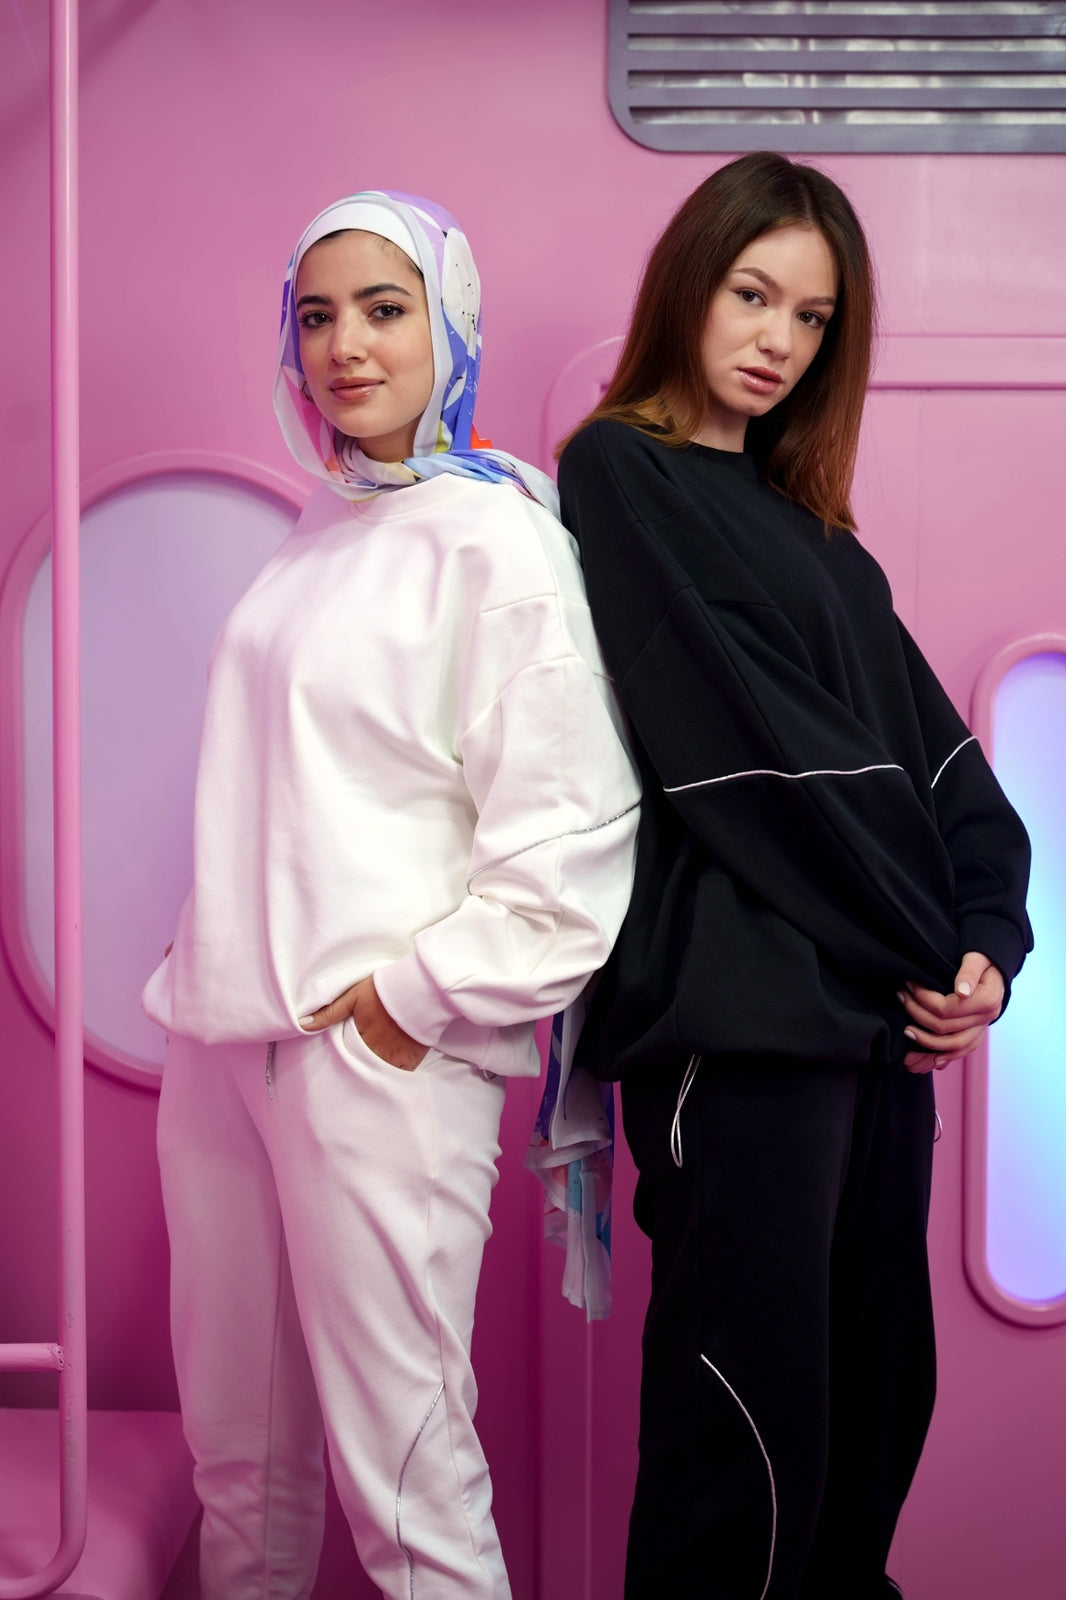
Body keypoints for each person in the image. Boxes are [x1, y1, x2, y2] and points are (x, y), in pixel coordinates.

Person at [143, 190, 640, 1600]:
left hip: (374, 1055)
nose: (344, 346)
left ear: (451, 321)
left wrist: (408, 1000)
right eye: (316, 317)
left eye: (383, 308)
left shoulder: (497, 539)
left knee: (410, 1490)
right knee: (239, 1472)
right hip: (223, 1039)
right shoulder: (323, 525)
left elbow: (571, 836)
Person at [556, 151, 1032, 1600]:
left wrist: (985, 947)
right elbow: (759, 758)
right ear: (688, 285)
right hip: (742, 1025)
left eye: (813, 318)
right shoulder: (618, 473)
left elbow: (942, 768)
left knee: (871, 1400)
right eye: (752, 294)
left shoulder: (820, 538)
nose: (777, 339)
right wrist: (924, 943)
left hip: (873, 1024)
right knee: (747, 1431)